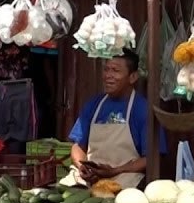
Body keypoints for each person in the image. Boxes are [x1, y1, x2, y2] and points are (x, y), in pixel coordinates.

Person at [66, 50, 163, 189]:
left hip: (124, 176)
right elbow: (77, 146)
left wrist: (114, 171)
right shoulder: (94, 104)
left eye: (115, 70)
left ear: (133, 77)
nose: (108, 76)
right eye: (106, 69)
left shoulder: (143, 109)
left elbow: (151, 158)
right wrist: (83, 167)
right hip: (90, 177)